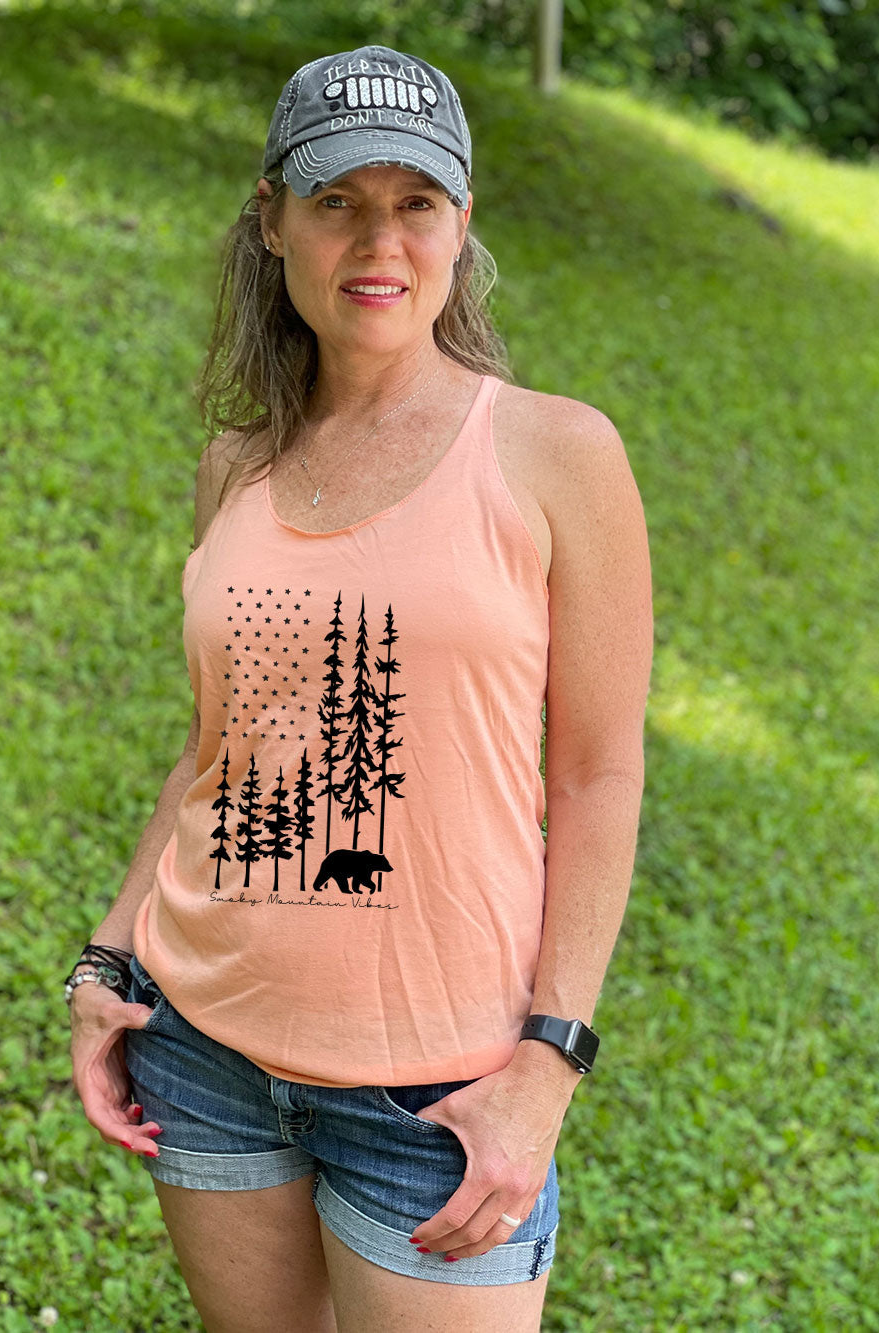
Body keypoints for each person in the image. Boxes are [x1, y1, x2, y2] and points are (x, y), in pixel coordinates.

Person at [68, 43, 652, 1333]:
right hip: (203, 1046)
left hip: (438, 1094)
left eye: (415, 202)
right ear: (273, 221)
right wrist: (107, 962)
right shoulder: (241, 464)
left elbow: (600, 774)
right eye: (337, 200)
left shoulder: (555, 453)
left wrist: (548, 1068)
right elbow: (215, 748)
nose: (377, 240)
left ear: (460, 224)